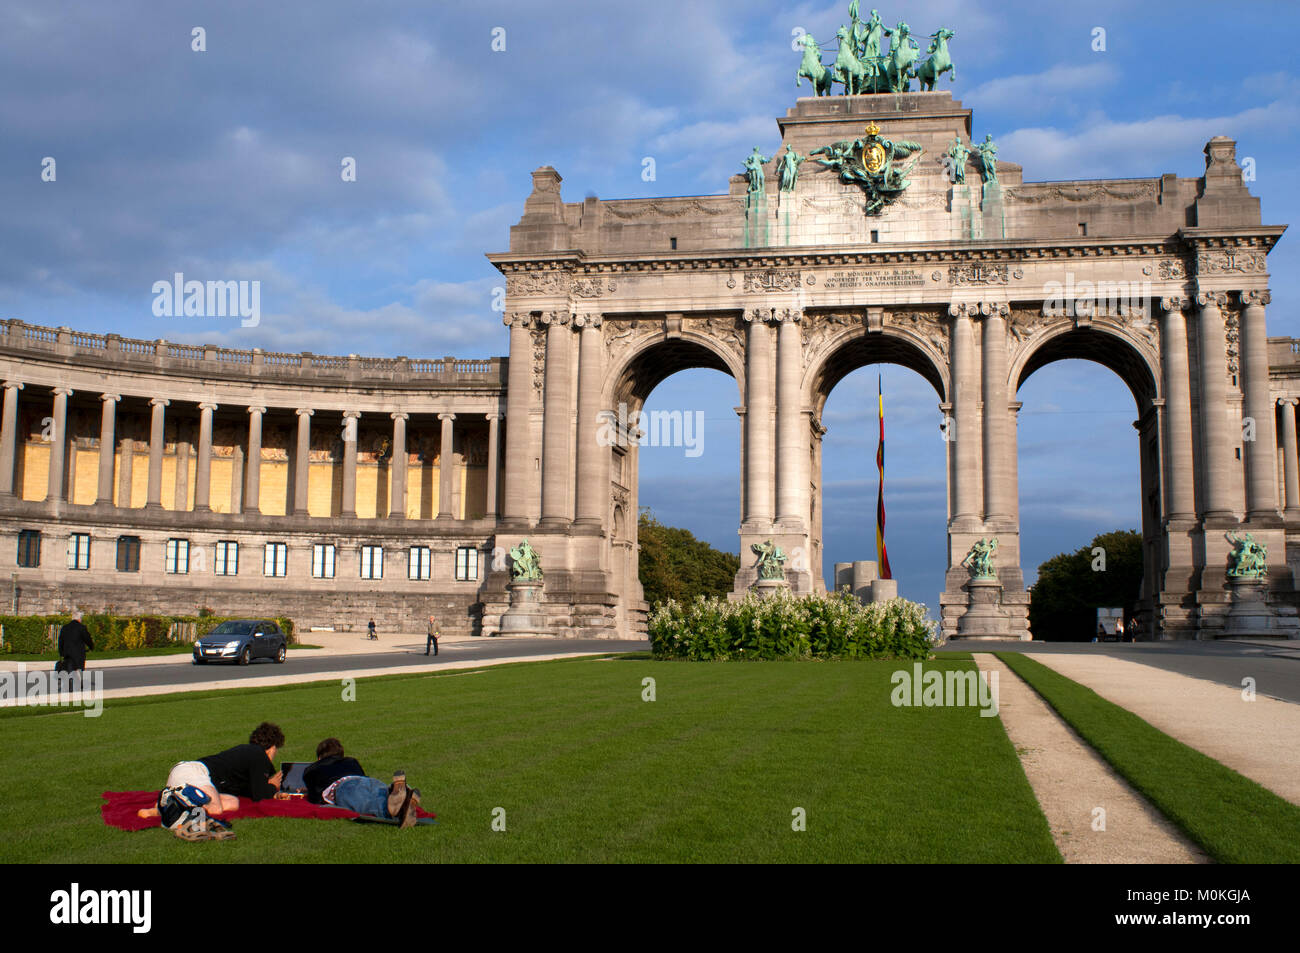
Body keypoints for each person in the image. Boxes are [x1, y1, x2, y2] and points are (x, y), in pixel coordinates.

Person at [137, 721, 284, 820]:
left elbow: (250, 791)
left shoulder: (246, 755)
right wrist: (272, 786)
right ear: (272, 748)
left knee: (233, 803)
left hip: (189, 777)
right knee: (215, 809)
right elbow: (260, 796)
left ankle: (175, 802)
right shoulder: (258, 754)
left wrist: (273, 792)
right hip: (192, 772)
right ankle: (160, 809)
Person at [302, 737, 422, 828]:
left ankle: (395, 809)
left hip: (342, 787)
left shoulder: (312, 769)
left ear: (319, 758)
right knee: (378, 792)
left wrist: (308, 791)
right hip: (366, 780)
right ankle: (400, 795)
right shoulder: (351, 761)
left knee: (368, 802)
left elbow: (314, 798)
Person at [57, 610, 94, 678]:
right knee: (78, 669)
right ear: (80, 619)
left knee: (68, 667)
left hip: (67, 653)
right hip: (78, 654)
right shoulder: (81, 627)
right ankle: (77, 683)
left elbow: (60, 641)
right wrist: (91, 647)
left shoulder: (65, 628)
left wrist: (61, 652)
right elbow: (87, 639)